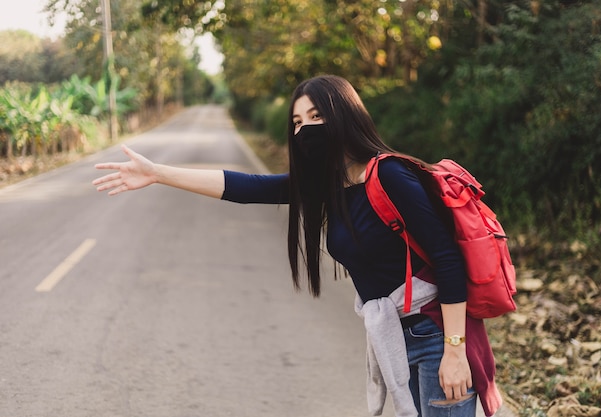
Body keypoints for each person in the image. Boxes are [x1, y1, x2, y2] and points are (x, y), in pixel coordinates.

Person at [92, 74, 502, 417]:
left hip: (435, 335)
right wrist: (158, 173)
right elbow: (245, 187)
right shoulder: (330, 186)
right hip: (394, 337)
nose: (305, 129)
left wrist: (454, 351)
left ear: (344, 114)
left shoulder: (390, 175)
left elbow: (447, 259)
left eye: (316, 116)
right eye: (298, 121)